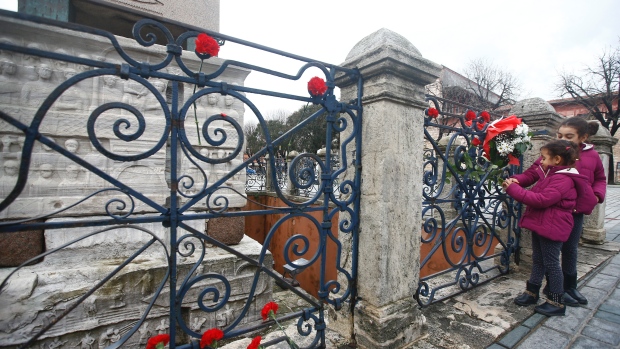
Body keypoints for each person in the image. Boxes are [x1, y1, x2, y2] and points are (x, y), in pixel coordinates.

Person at [507, 117, 605, 306]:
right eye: (560, 135)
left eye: (569, 136)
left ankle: (568, 287)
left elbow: (600, 178)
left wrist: (596, 195)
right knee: (545, 255)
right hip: (552, 212)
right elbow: (532, 173)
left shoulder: (591, 156)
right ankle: (549, 288)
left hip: (574, 211)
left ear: (583, 137)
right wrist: (516, 180)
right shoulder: (554, 154)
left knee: (569, 249)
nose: (563, 139)